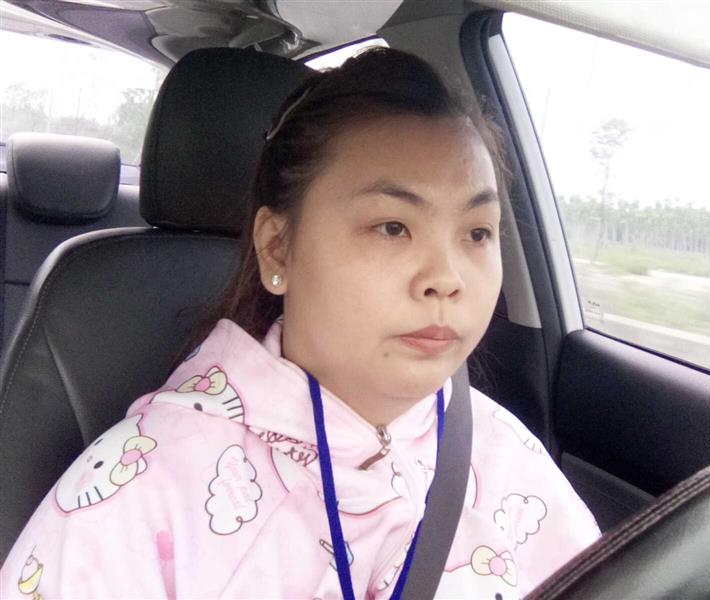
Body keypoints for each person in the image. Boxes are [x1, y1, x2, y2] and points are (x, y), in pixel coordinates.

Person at [0, 47, 599, 599]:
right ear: (278, 248)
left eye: (477, 233)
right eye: (392, 227)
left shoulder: (507, 456)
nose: (447, 277)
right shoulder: (145, 491)